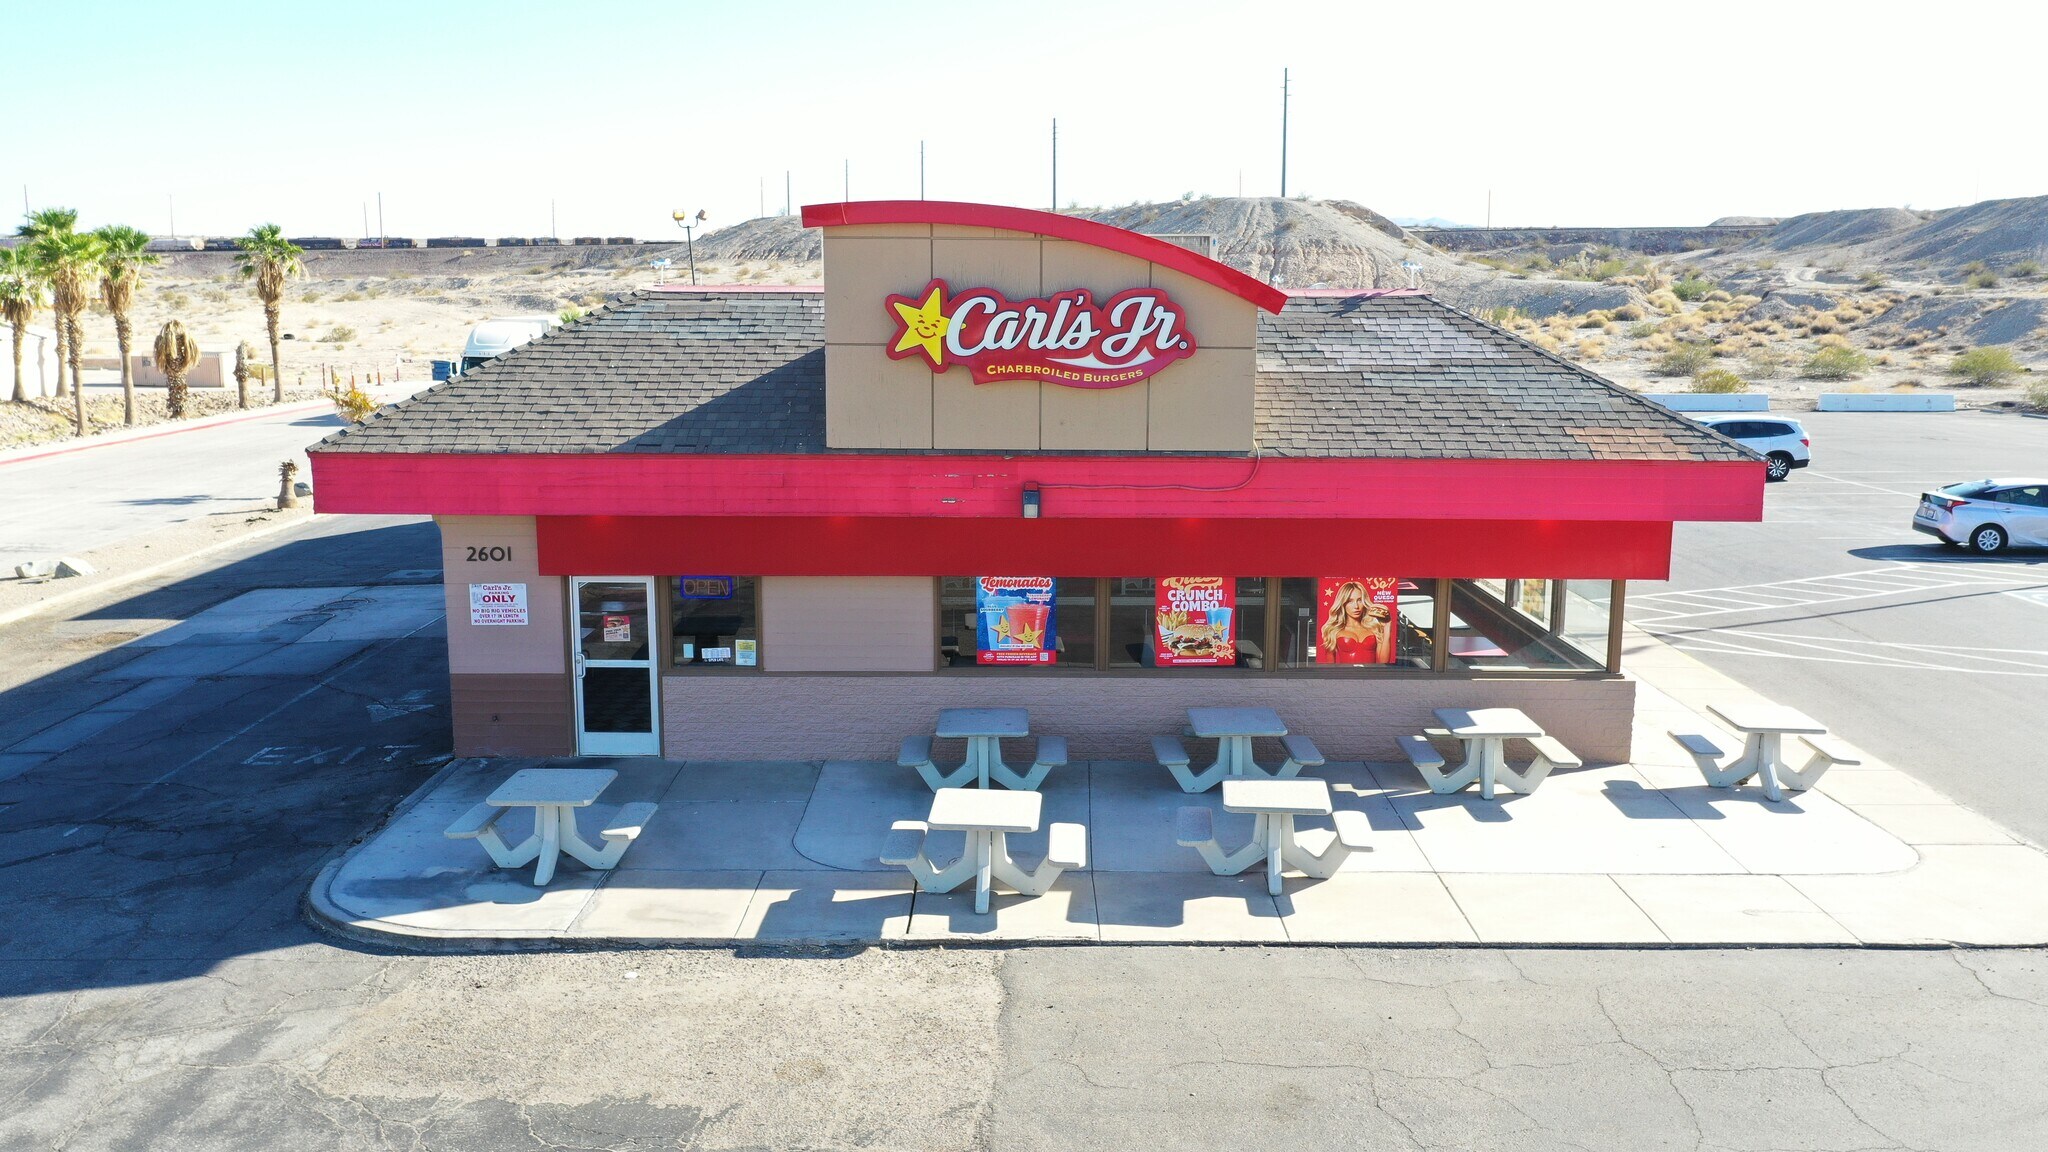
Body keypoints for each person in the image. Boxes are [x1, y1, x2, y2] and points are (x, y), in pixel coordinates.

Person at [1318, 580, 1394, 664]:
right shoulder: (1334, 630)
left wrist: (1387, 627)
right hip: (1346, 676)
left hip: (1370, 676)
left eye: (1359, 600)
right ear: (1343, 603)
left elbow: (1384, 662)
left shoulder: (1374, 628)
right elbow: (1330, 668)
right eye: (1350, 601)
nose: (1356, 606)